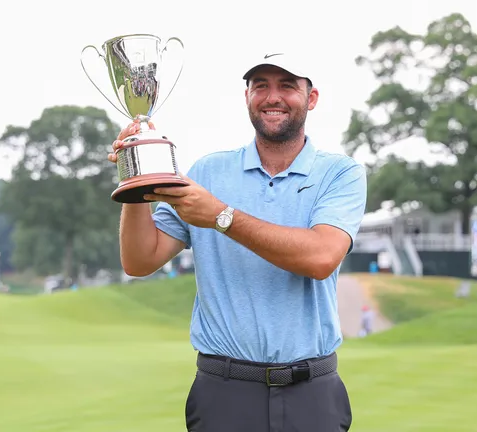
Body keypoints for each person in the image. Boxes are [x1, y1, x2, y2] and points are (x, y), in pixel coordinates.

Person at [108, 51, 367, 432]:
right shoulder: (207, 171)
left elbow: (321, 257)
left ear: (311, 99)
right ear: (247, 97)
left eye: (287, 86)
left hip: (311, 391)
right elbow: (140, 260)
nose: (272, 97)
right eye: (260, 85)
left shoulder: (340, 173)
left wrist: (221, 216)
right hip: (223, 390)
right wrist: (134, 180)